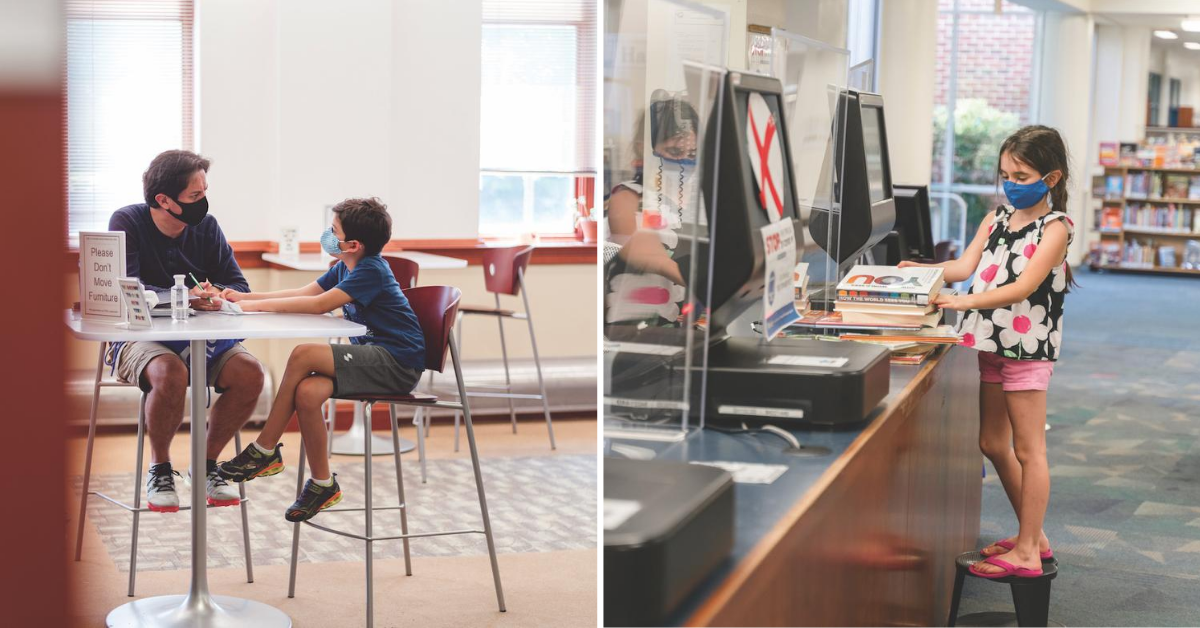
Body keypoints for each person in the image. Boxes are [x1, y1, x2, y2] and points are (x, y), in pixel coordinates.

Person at [901, 125, 1075, 578]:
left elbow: (1024, 285)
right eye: (1005, 175)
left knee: (1028, 449)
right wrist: (920, 271)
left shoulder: (1056, 228)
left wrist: (962, 301)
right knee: (991, 442)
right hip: (992, 344)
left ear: (1050, 179)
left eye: (1021, 176)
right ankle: (1033, 537)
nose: (1011, 184)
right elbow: (963, 266)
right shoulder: (996, 219)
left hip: (1027, 349)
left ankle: (1028, 555)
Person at [215, 198, 426, 522]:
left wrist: (247, 308)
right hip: (372, 358)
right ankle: (323, 483)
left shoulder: (370, 270)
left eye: (333, 230)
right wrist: (246, 298)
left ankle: (265, 449)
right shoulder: (346, 264)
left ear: (353, 244)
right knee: (308, 392)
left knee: (304, 354)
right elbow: (307, 291)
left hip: (396, 363)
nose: (328, 235)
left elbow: (317, 305)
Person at [107, 149, 266, 513]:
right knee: (170, 373)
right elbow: (127, 290)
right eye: (195, 196)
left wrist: (216, 295)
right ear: (163, 200)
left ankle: (206, 466)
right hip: (140, 336)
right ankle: (160, 468)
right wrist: (181, 298)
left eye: (204, 192)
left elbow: (236, 284)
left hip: (203, 336)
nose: (203, 203)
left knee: (250, 374)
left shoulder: (206, 227)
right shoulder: (127, 222)